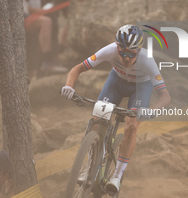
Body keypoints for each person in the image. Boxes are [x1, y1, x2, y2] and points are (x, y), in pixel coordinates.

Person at [61, 25, 171, 195]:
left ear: (139, 50)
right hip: (117, 82)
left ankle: (117, 176)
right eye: (123, 53)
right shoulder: (109, 51)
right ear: (117, 47)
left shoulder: (147, 60)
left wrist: (151, 110)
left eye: (132, 54)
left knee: (132, 126)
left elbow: (165, 97)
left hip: (140, 87)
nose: (126, 58)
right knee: (98, 116)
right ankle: (90, 165)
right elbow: (77, 69)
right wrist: (69, 86)